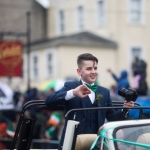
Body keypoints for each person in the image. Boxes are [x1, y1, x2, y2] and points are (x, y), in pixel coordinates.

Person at [45, 53, 134, 150]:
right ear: (79, 72)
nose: (93, 71)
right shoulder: (70, 86)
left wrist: (124, 109)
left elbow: (112, 117)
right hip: (73, 144)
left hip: (96, 145)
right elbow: (48, 101)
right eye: (89, 69)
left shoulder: (104, 92)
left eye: (95, 68)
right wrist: (73, 93)